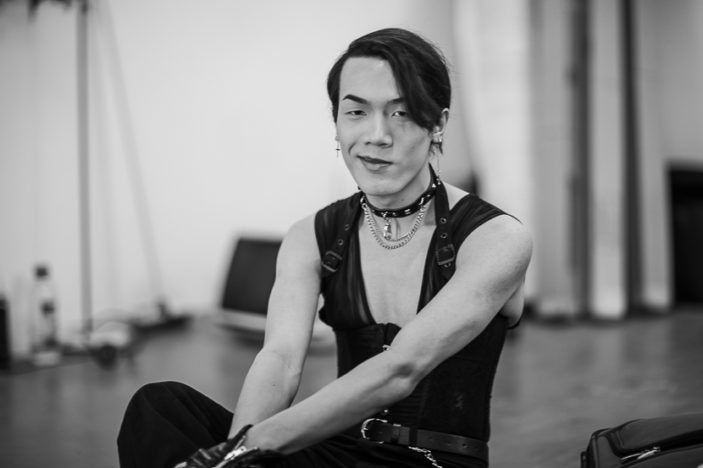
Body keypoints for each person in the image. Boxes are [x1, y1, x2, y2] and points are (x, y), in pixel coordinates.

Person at [117, 27, 532, 468]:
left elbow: (401, 369)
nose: (377, 135)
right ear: (337, 122)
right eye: (356, 112)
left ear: (438, 124)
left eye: (402, 113)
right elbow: (280, 360)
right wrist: (237, 455)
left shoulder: (496, 238)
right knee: (160, 407)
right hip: (341, 453)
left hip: (432, 461)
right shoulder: (311, 236)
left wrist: (243, 449)